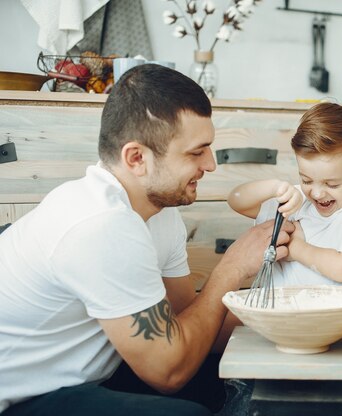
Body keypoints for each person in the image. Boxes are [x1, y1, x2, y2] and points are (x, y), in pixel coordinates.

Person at [0, 64, 294, 415]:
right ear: (137, 158)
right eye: (196, 151)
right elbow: (168, 372)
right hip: (20, 398)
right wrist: (231, 268)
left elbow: (190, 316)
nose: (211, 164)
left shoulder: (159, 211)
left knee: (240, 382)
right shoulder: (101, 225)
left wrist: (308, 315)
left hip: (82, 378)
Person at [227, 102, 342, 289]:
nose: (317, 193)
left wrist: (296, 247)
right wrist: (275, 187)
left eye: (332, 184)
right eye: (307, 180)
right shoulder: (296, 199)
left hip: (338, 318)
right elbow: (236, 200)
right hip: (281, 316)